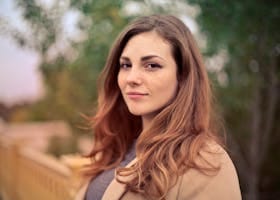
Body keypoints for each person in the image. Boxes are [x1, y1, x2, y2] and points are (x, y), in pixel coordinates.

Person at [76, 15, 242, 200]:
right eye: (126, 65)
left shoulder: (206, 162)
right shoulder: (119, 146)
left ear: (183, 76)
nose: (132, 78)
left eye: (152, 65)